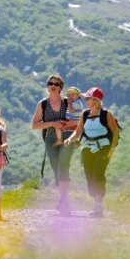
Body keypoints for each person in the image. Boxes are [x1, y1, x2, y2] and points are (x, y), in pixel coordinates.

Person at [64, 87, 118, 218]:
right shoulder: (85, 114)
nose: (86, 100)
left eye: (88, 98)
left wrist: (111, 149)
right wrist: (70, 139)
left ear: (95, 100)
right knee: (90, 177)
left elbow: (115, 133)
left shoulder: (107, 114)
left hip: (103, 147)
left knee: (98, 174)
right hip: (87, 148)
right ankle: (96, 204)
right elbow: (78, 131)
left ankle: (98, 206)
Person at [31, 74, 78, 216]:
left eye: (56, 84)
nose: (53, 86)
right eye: (50, 83)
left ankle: (65, 202)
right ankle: (63, 200)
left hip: (68, 136)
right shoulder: (43, 104)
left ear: (60, 88)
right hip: (50, 138)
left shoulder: (67, 102)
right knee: (57, 169)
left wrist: (67, 124)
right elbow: (34, 125)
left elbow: (78, 120)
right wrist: (52, 123)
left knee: (63, 164)